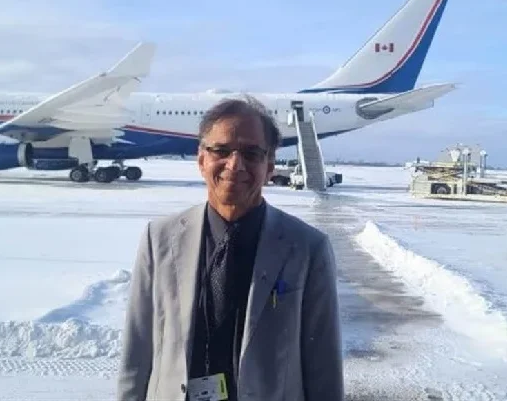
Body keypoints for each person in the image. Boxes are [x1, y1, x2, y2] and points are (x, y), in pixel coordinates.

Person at [116, 95, 344, 401]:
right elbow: (138, 348)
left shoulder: (306, 248)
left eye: (251, 153)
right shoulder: (159, 239)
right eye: (221, 151)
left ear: (269, 165)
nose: (235, 165)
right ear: (202, 160)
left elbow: (323, 366)